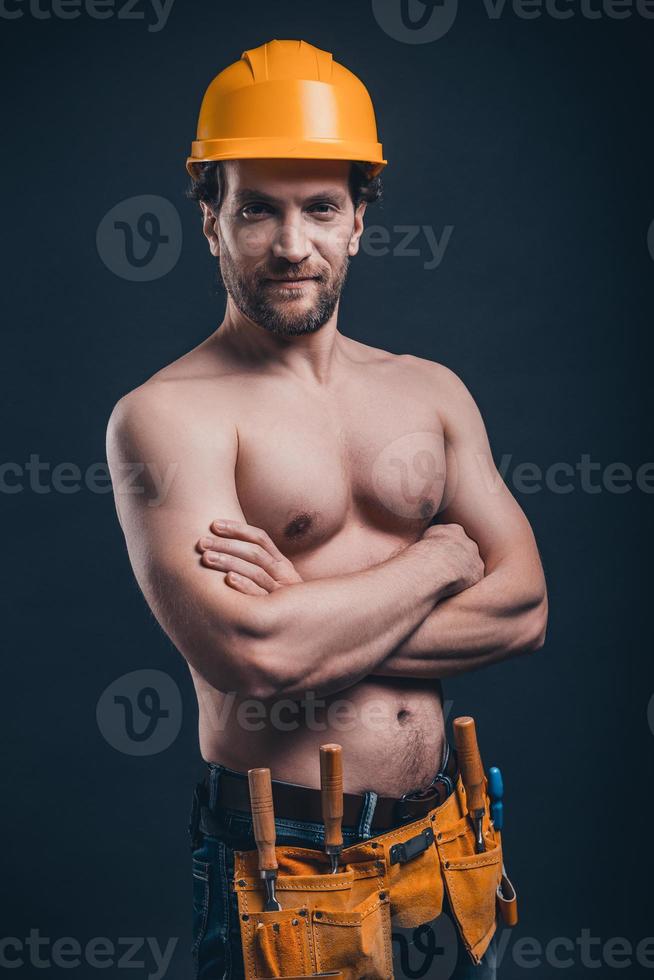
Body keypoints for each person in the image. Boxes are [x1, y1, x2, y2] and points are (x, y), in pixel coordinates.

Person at [106, 39, 547, 980]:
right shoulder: (166, 416)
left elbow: (526, 608)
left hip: (449, 837)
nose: (291, 243)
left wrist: (304, 608)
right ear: (209, 220)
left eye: (320, 208)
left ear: (358, 223)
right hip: (287, 864)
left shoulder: (432, 391)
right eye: (257, 209)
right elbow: (255, 658)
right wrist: (435, 562)